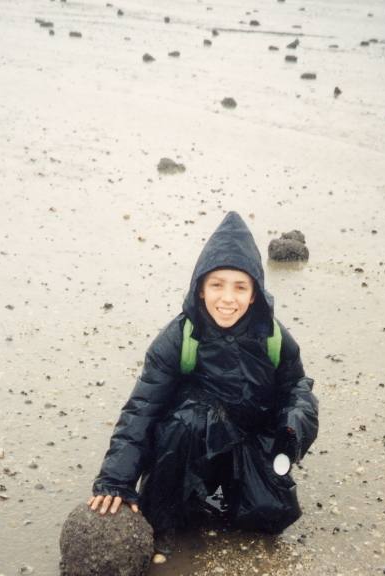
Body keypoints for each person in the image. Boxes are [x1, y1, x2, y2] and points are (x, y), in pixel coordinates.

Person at [87, 211, 318, 535]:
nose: (227, 298)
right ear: (200, 290)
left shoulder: (274, 339)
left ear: (254, 294)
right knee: (184, 437)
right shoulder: (179, 338)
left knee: (268, 517)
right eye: (216, 285)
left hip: (249, 437)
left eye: (240, 287)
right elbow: (142, 408)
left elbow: (297, 388)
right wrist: (115, 479)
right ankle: (175, 505)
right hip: (192, 440)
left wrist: (294, 426)